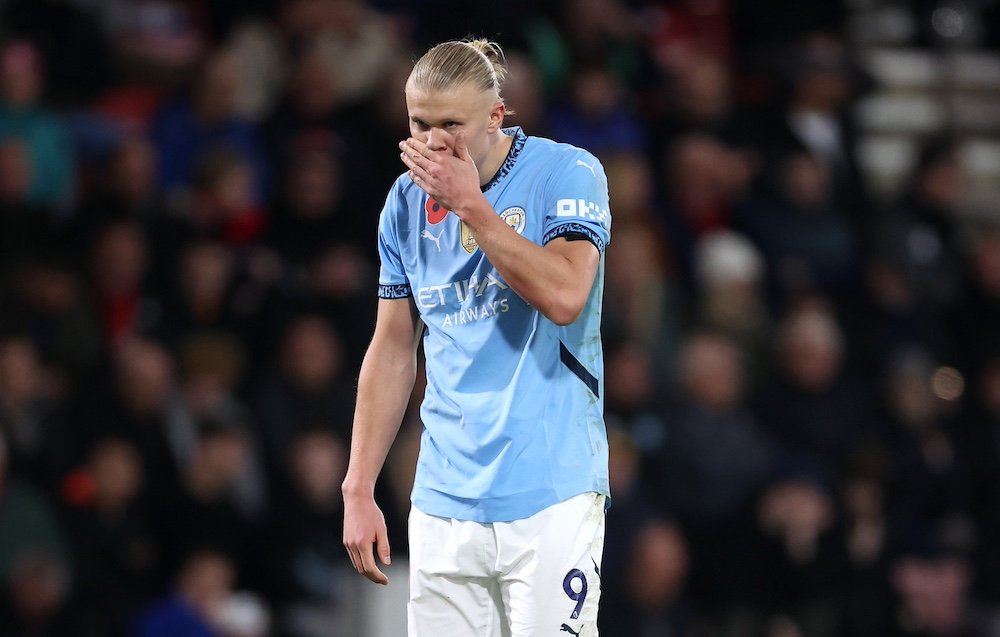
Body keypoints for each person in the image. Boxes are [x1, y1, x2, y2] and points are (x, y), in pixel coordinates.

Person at [341, 38, 612, 636]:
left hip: (550, 487)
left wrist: (473, 208)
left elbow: (566, 296)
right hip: (444, 498)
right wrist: (358, 485)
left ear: (495, 116)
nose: (434, 143)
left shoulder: (567, 172)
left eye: (451, 126)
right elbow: (393, 349)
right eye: (420, 124)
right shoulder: (404, 204)